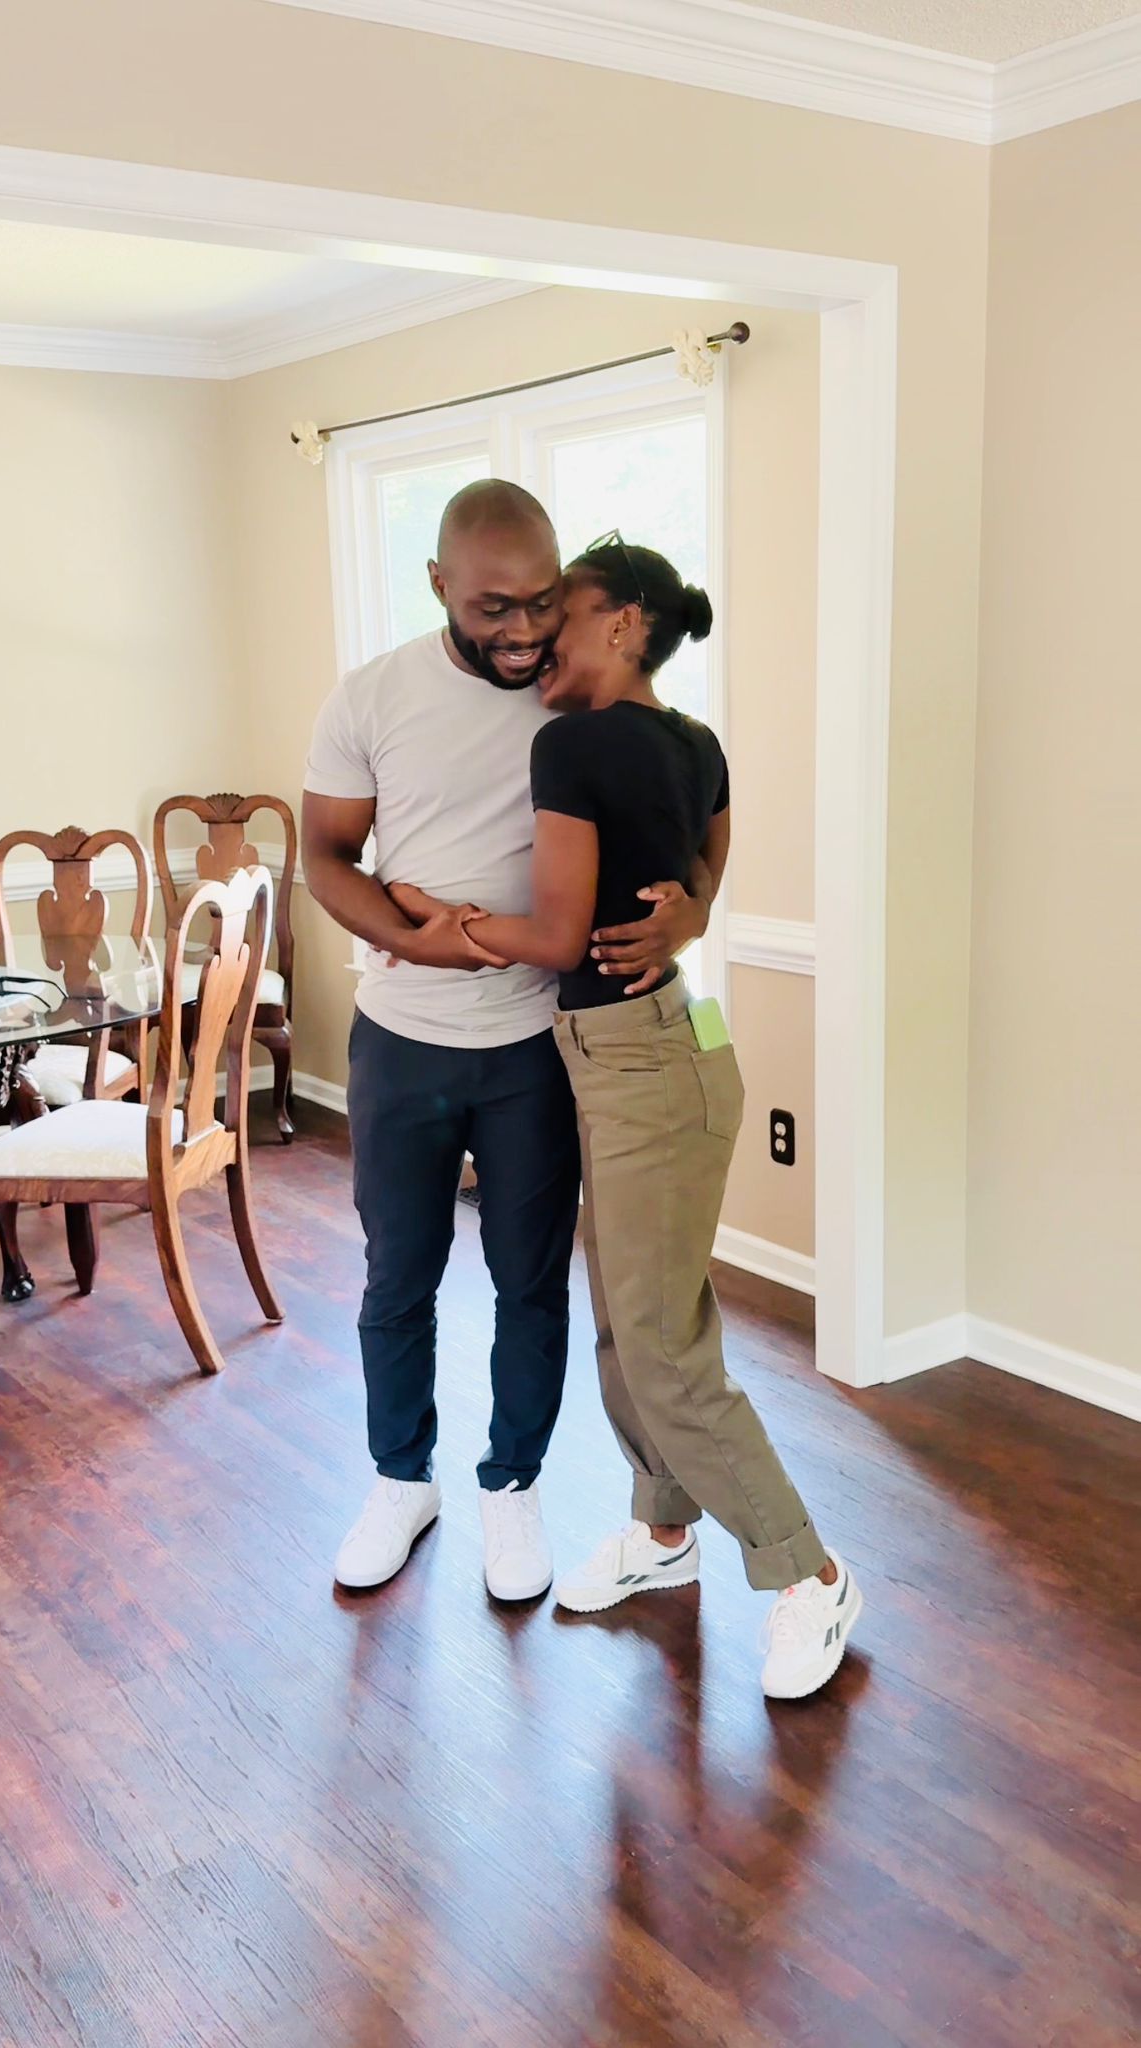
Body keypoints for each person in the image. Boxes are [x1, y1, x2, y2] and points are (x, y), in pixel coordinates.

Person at [396, 533, 862, 1700]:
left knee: (657, 1344)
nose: (542, 633)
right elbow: (705, 875)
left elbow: (558, 939)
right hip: (662, 1055)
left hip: (642, 1068)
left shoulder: (575, 741)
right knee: (637, 1324)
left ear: (626, 623)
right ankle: (664, 1534)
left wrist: (432, 919)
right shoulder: (691, 743)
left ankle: (810, 1572)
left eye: (569, 611)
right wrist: (690, 918)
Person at [301, 484, 708, 1603]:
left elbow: (687, 808)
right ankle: (401, 1479)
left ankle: (511, 1489)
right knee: (400, 1278)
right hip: (403, 1041)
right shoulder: (372, 696)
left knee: (531, 1283)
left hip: (542, 1045)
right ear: (438, 586)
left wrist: (697, 907)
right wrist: (426, 945)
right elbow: (327, 855)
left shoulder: (582, 699)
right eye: (493, 609)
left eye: (540, 603)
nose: (524, 631)